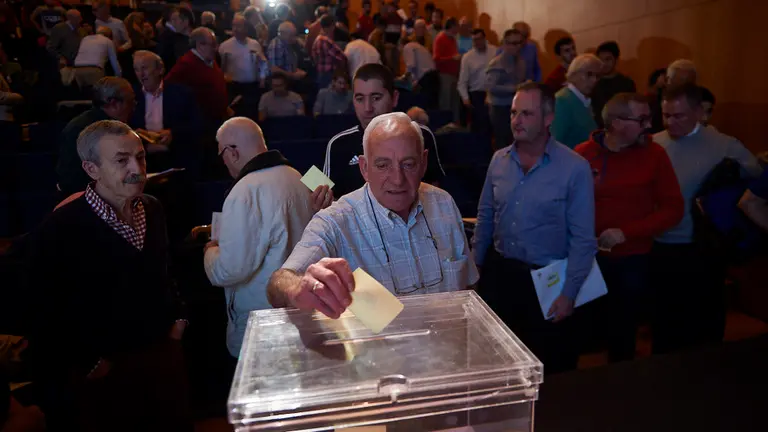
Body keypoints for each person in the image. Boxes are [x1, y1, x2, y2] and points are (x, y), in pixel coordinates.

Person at [29, 120, 190, 431]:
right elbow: (46, 307)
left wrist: (179, 320)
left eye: (141, 157)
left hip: (161, 356)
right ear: (92, 169)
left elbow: (167, 270)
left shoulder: (153, 208)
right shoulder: (63, 226)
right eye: (121, 160)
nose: (138, 169)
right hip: (109, 371)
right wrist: (89, 360)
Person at [267, 112, 478, 314]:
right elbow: (280, 281)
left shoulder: (444, 203)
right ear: (364, 168)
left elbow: (470, 289)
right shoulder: (335, 221)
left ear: (423, 163)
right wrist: (297, 289)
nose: (397, 179)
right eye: (383, 165)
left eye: (408, 164)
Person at [473, 82, 595, 374]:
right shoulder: (499, 160)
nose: (516, 120)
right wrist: (473, 270)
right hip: (501, 275)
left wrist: (570, 293)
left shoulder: (575, 167)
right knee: (500, 364)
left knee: (549, 366)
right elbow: (485, 216)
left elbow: (583, 239)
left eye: (526, 113)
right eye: (514, 112)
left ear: (548, 118)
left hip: (548, 279)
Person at [652, 83, 762, 355]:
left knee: (706, 315)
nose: (670, 122)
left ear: (699, 112)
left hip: (704, 247)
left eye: (678, 116)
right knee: (665, 317)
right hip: (661, 244)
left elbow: (757, 177)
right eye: (666, 115)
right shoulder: (654, 143)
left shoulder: (724, 144)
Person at [574, 93, 684, 362]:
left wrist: (627, 233)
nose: (650, 126)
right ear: (616, 123)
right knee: (580, 333)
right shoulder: (582, 155)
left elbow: (674, 209)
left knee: (622, 334)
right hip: (587, 258)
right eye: (642, 119)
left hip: (632, 259)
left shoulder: (654, 155)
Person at [205, 117, 315, 357]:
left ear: (232, 152)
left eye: (221, 154)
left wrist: (210, 251)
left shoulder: (243, 191)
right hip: (300, 310)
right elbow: (329, 194)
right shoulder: (298, 175)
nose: (223, 162)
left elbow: (230, 270)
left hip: (261, 320)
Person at [323, 63, 445, 197]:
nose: (367, 108)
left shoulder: (419, 135)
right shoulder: (338, 143)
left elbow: (435, 193)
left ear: (394, 98)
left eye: (376, 98)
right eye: (360, 99)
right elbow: (328, 196)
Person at [57, 77, 136, 196]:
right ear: (114, 104)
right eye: (130, 101)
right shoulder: (100, 131)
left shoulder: (84, 122)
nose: (133, 107)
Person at [130, 50, 202, 173]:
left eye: (145, 68)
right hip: (143, 158)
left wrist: (172, 134)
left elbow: (198, 125)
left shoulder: (181, 93)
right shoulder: (131, 96)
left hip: (176, 154)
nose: (141, 74)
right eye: (136, 69)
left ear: (160, 70)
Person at [165, 27, 230, 123]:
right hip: (201, 123)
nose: (216, 49)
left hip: (216, 119)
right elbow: (168, 87)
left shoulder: (209, 60)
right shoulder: (186, 64)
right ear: (200, 45)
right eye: (212, 45)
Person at [219, 13, 268, 115]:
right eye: (233, 26)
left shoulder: (254, 44)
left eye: (239, 26)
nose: (235, 29)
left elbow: (262, 62)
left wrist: (263, 77)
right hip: (235, 87)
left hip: (252, 87)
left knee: (252, 114)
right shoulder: (225, 46)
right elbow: (221, 69)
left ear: (246, 27)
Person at [486, 28, 527, 149]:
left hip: (516, 107)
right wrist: (515, 88)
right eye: (514, 43)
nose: (518, 46)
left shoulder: (521, 62)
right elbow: (491, 87)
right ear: (504, 44)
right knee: (502, 143)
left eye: (520, 43)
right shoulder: (496, 63)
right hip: (500, 108)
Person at [551, 53, 601, 148]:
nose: (594, 80)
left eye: (597, 76)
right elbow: (555, 142)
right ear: (574, 73)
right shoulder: (562, 101)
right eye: (589, 74)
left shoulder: (586, 99)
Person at [458, 28, 496, 135]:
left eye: (479, 39)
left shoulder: (495, 51)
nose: (477, 43)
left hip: (493, 92)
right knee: (480, 127)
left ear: (484, 39)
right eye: (474, 40)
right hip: (477, 94)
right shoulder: (467, 57)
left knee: (494, 126)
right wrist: (465, 99)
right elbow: (462, 82)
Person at [592, 41, 637, 127]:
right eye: (600, 60)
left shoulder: (626, 83)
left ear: (616, 59)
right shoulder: (593, 83)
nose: (603, 64)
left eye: (608, 59)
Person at [402, 23, 438, 108]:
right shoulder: (418, 46)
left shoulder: (407, 47)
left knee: (424, 106)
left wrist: (403, 78)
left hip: (427, 78)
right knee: (432, 106)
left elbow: (411, 66)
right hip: (434, 77)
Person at [433, 17, 460, 122]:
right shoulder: (440, 38)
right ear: (452, 27)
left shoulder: (453, 39)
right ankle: (445, 124)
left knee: (455, 102)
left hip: (454, 74)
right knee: (446, 101)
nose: (458, 29)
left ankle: (454, 124)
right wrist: (452, 58)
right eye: (456, 26)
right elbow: (436, 59)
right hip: (445, 75)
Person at [311, 14, 347, 89]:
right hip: (328, 75)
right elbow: (342, 57)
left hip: (320, 74)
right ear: (331, 26)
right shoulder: (326, 41)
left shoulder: (317, 39)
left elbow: (314, 58)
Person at [156, 6, 193, 73]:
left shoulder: (196, 40)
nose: (172, 23)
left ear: (186, 22)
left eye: (175, 20)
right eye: (172, 20)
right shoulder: (172, 40)